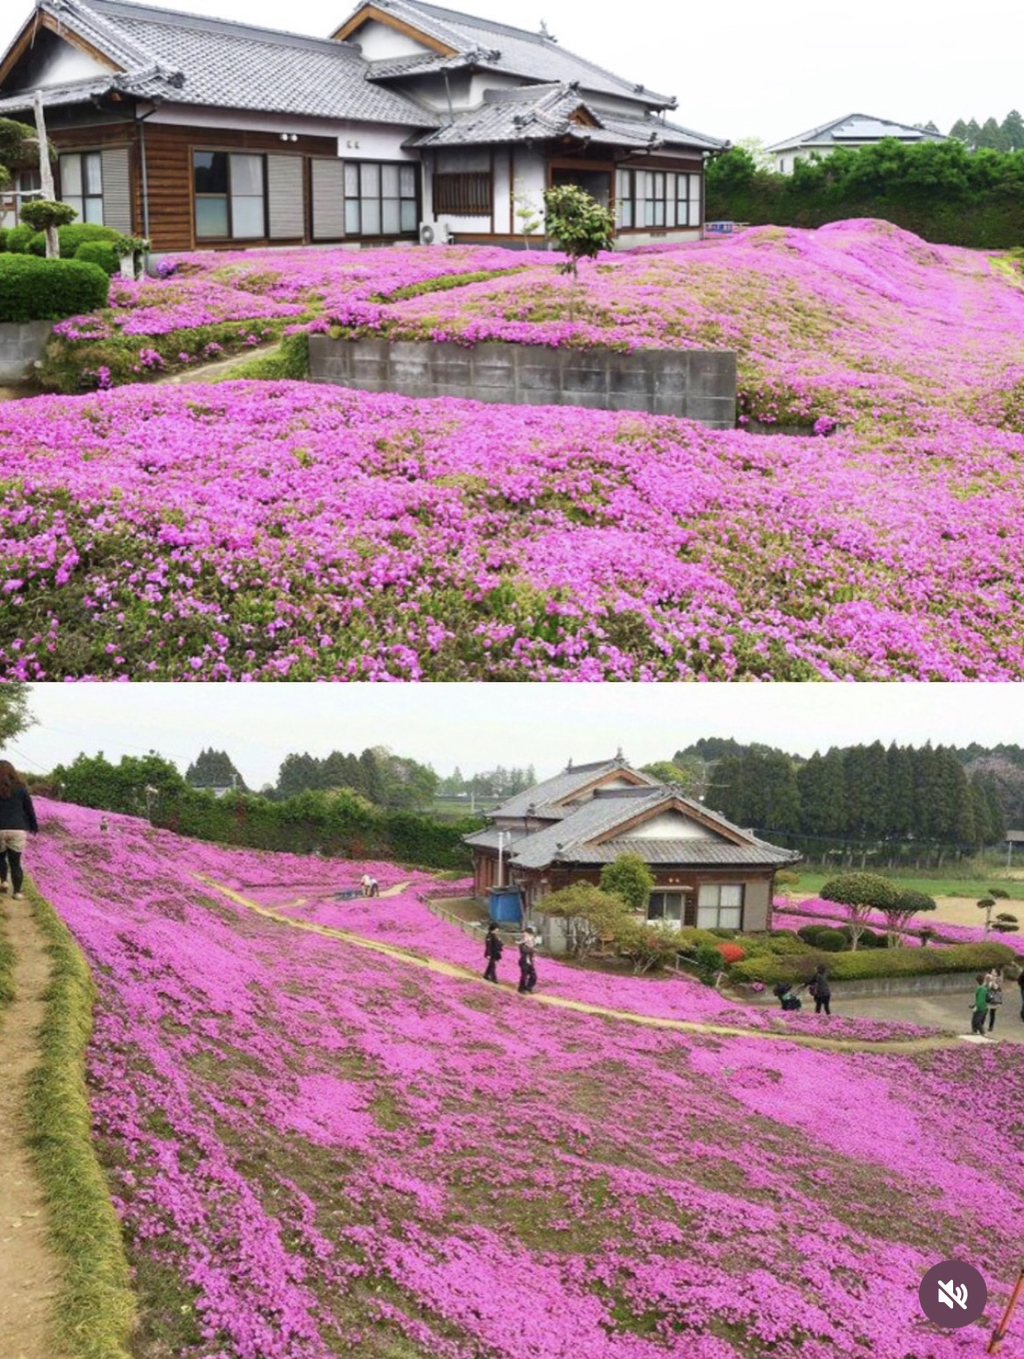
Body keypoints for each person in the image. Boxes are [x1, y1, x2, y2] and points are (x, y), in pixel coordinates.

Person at [0, 760, 39, 901]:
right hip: (17, 829)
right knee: (15, 862)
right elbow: (29, 809)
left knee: (0, 858)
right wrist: (34, 826)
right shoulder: (21, 789)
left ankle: (3, 881)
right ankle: (17, 892)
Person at [517, 927, 538, 994]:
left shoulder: (532, 942)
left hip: (530, 962)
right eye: (525, 934)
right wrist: (532, 949)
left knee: (533, 976)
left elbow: (533, 950)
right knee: (524, 976)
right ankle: (521, 989)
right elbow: (524, 951)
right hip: (524, 961)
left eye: (527, 934)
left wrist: (534, 954)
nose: (525, 935)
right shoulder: (522, 944)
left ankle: (528, 988)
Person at [984, 967, 1004, 1032]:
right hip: (987, 996)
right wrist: (988, 979)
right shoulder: (988, 978)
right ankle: (981, 1024)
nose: (993, 973)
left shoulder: (999, 979)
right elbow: (986, 986)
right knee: (984, 1011)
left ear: (997, 973)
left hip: (995, 997)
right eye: (992, 971)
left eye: (994, 972)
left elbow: (996, 987)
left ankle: (991, 1026)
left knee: (992, 1012)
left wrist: (993, 980)